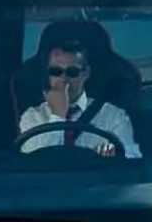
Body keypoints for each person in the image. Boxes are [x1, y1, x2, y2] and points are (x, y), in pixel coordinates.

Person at [15, 26, 140, 159]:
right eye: (55, 72)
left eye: (72, 72)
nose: (63, 79)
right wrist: (58, 115)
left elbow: (131, 161)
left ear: (86, 74)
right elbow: (38, 165)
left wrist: (110, 159)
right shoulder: (32, 117)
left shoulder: (113, 116)